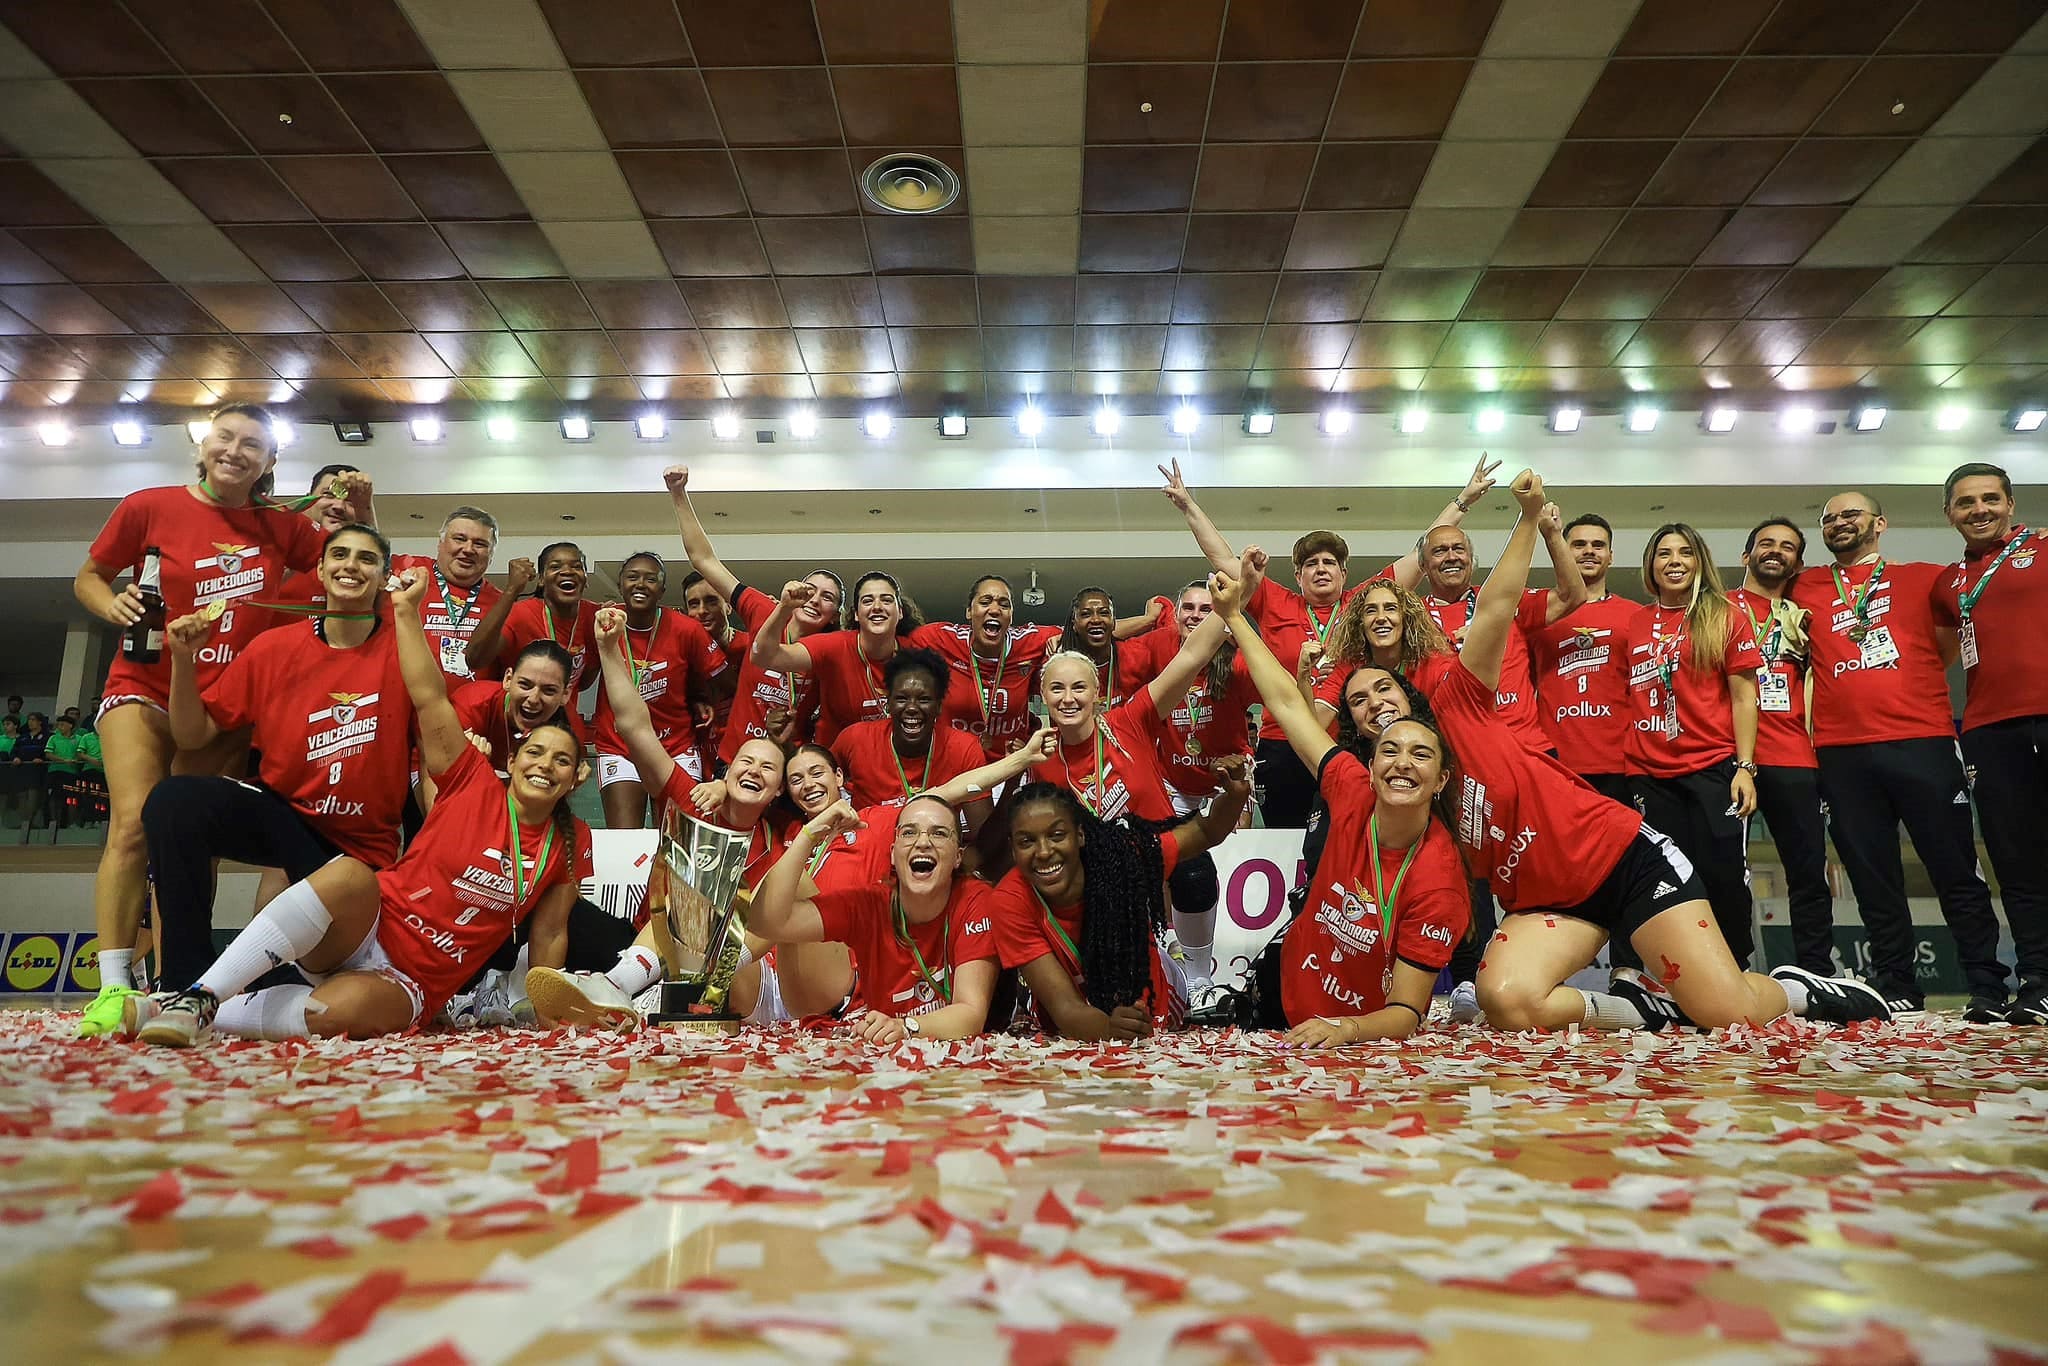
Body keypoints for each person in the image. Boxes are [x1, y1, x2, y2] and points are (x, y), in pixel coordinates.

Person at [1296, 471, 1888, 1032]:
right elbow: (1298, 718)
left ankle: (1804, 989)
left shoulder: (1460, 707)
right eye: (1360, 704)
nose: (1375, 706)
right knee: (1507, 1001)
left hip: (1622, 862)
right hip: (1549, 899)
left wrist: (1529, 517)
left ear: (1417, 694)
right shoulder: (1403, 788)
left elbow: (1498, 608)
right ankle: (1639, 1012)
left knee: (1724, 1010)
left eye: (1385, 689)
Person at [124, 564, 592, 1046]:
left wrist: (547, 1008)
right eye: (535, 752)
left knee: (337, 1012)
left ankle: (177, 1012)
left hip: (413, 980)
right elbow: (429, 697)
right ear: (513, 761)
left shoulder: (573, 840)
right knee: (351, 874)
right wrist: (407, 614)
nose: (545, 766)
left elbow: (552, 933)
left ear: (579, 775)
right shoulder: (471, 777)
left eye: (561, 760)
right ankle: (197, 995)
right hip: (367, 923)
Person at [72, 403, 369, 1036]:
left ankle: (180, 982)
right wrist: (113, 602)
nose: (234, 451)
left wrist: (361, 513)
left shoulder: (276, 524)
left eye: (251, 445)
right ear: (204, 444)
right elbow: (91, 576)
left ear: (269, 463)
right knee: (132, 823)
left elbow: (356, 565)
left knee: (191, 839)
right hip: (147, 684)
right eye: (225, 438)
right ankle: (113, 984)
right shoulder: (148, 504)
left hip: (225, 705)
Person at [143, 523, 413, 990]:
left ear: (383, 576)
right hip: (287, 817)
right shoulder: (274, 647)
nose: (351, 565)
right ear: (322, 571)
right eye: (340, 555)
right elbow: (192, 736)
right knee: (174, 801)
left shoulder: (407, 650)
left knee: (334, 982)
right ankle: (182, 981)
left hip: (360, 851)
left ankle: (263, 984)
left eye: (366, 558)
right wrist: (183, 661)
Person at [1161, 455, 1496, 828]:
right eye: (1311, 564)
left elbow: (1421, 555)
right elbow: (1221, 556)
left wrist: (1463, 501)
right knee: (1283, 839)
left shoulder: (1363, 603)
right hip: (1283, 739)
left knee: (1344, 831)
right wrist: (1189, 505)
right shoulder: (1275, 601)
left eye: (1329, 562)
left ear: (1343, 572)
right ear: (1298, 575)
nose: (1321, 569)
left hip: (1343, 743)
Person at [1207, 575, 1470, 1043]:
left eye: (1420, 754)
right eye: (1389, 752)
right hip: (1282, 992)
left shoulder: (1441, 880)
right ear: (1368, 767)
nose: (1402, 764)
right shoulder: (1348, 784)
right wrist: (1233, 616)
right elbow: (1287, 704)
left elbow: (1407, 1012)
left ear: (1443, 779)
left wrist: (1346, 1028)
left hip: (1360, 1035)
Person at [1787, 491, 2009, 1018]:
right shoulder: (1806, 584)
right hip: (1840, 752)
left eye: (1851, 514)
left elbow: (1952, 634)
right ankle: (1898, 986)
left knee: (1955, 868)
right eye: (1829, 518)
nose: (1840, 523)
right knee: (1873, 876)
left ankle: (1988, 985)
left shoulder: (1924, 576)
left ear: (1880, 523)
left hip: (1923, 740)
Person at [524, 607, 801, 1028]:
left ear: (779, 789)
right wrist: (608, 649)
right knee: (567, 908)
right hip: (649, 951)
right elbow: (635, 726)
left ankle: (617, 989)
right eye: (746, 761)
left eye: (768, 768)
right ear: (727, 770)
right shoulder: (694, 801)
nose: (754, 771)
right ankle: (608, 990)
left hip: (729, 974)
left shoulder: (782, 842)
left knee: (718, 887)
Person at [986, 760, 1251, 1040]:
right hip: (1069, 1013)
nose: (1043, 852)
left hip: (1154, 994)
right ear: (1013, 851)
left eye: (1056, 835)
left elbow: (1204, 831)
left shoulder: (1119, 857)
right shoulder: (1009, 899)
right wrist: (1108, 1028)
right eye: (1026, 841)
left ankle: (1177, 964)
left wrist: (1235, 795)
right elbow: (1066, 1008)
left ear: (1080, 836)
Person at [1622, 524, 1763, 968]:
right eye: (1664, 553)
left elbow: (1744, 696)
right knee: (1668, 880)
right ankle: (1680, 977)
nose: (1675, 561)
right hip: (1650, 773)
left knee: (1722, 876)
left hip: (1713, 768)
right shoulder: (1636, 622)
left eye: (1685, 552)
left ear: (1700, 561)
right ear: (1651, 565)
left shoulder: (1725, 616)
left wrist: (1745, 767)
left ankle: (1735, 972)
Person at [751, 792, 1000, 1043]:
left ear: (958, 856)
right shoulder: (870, 903)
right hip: (881, 1045)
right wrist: (809, 835)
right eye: (909, 832)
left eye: (938, 833)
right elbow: (766, 922)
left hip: (943, 1053)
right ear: (892, 854)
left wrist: (905, 1027)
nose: (923, 842)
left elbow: (970, 1013)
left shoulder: (975, 899)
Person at [1933, 462, 2043, 1025]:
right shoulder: (1950, 581)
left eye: (1990, 499)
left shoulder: (2043, 549)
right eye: (1966, 502)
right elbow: (1941, 652)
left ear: (2011, 505)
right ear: (1949, 513)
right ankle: (2038, 982)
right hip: (1987, 730)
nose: (1979, 509)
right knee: (2016, 862)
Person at [665, 466, 844, 763]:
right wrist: (678, 493)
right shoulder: (765, 610)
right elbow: (704, 559)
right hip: (735, 760)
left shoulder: (832, 653)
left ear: (835, 615)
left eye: (828, 597)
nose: (815, 599)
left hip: (788, 766)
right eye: (810, 589)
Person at [1732, 518, 1838, 980]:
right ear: (1746, 556)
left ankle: (1814, 973)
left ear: (1798, 561)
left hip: (1796, 756)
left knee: (1808, 874)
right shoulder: (1716, 608)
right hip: (1733, 760)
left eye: (1788, 547)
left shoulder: (1805, 614)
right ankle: (1728, 972)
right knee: (1725, 873)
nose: (1776, 551)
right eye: (1767, 544)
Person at [593, 550, 729, 830]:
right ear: (620, 584)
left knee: (677, 840)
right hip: (620, 747)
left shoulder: (686, 629)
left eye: (651, 579)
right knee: (624, 841)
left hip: (674, 746)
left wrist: (698, 697)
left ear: (662, 589)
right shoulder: (602, 622)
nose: (641, 584)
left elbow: (726, 683)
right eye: (632, 577)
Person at [1520, 513, 1635, 801]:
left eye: (1598, 545)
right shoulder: (1539, 614)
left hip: (1619, 761)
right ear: (1563, 551)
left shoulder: (1635, 615)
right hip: (1555, 757)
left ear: (1610, 556)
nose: (1589, 551)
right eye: (1579, 544)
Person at [749, 571, 925, 747]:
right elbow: (763, 656)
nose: (877, 606)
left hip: (890, 759)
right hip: (835, 764)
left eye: (886, 600)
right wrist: (784, 608)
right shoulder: (835, 646)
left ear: (900, 612)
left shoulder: (915, 652)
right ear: (856, 614)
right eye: (867, 601)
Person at [913, 576, 1067, 763]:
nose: (994, 610)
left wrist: (1065, 640)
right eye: (985, 602)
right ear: (969, 612)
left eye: (1004, 604)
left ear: (1011, 616)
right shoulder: (941, 639)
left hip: (1011, 764)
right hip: (953, 763)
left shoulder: (1028, 643)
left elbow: (1086, 629)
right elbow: (895, 638)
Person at [832, 649, 988, 817]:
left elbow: (982, 835)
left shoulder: (964, 749)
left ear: (939, 706)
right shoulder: (856, 739)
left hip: (932, 842)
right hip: (866, 842)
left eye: (924, 700)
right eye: (901, 699)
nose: (912, 708)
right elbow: (819, 779)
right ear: (888, 704)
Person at [463, 542, 599, 695]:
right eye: (555, 567)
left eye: (576, 566)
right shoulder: (521, 613)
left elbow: (583, 683)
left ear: (586, 579)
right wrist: (512, 589)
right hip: (516, 712)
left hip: (563, 716)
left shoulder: (595, 617)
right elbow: (474, 659)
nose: (567, 571)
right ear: (541, 580)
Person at [389, 506, 500, 688]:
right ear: (440, 544)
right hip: (404, 704)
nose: (468, 549)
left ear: (491, 554)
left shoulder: (501, 604)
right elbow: (370, 553)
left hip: (471, 711)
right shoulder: (409, 568)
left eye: (480, 544)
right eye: (459, 539)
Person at [1055, 587, 1164, 709]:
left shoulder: (1137, 657)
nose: (1096, 619)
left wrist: (1149, 619)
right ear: (1074, 624)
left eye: (1104, 613)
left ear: (1113, 622)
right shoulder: (1058, 665)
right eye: (1086, 614)